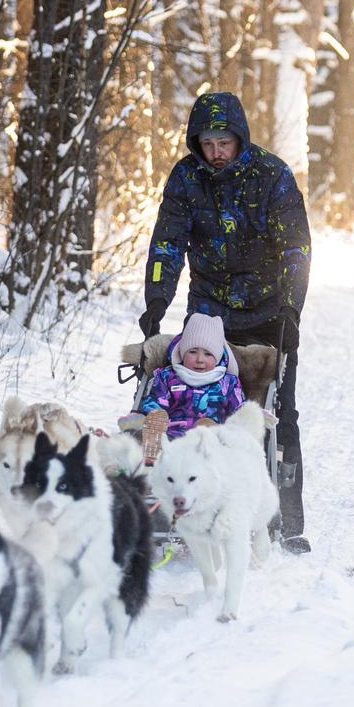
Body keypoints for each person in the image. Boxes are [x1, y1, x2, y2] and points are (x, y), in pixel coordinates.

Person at [138, 91, 312, 554]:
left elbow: (297, 246)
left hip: (268, 313)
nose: (216, 152)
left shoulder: (272, 176)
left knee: (276, 412)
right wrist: (157, 301)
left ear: (240, 139)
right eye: (208, 143)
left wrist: (292, 309)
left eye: (224, 143)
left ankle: (288, 519)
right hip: (208, 313)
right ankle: (176, 500)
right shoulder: (185, 177)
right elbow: (167, 243)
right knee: (192, 403)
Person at [136, 313, 245, 463]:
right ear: (182, 352)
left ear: (218, 356)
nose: (200, 359)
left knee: (209, 429)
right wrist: (154, 415)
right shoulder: (168, 377)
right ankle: (151, 456)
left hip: (210, 443)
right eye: (193, 352)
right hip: (172, 437)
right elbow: (155, 401)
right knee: (156, 421)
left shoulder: (228, 383)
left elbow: (239, 412)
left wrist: (253, 416)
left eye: (208, 354)